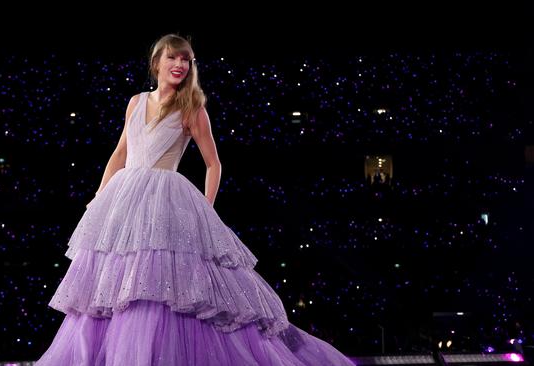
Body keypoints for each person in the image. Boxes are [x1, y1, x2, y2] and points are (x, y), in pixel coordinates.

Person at [35, 34, 357, 366]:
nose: (179, 65)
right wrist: (99, 198)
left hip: (165, 197)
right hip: (124, 200)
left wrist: (206, 208)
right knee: (114, 278)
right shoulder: (135, 102)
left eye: (185, 60)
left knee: (161, 278)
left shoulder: (191, 107)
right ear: (156, 62)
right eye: (173, 58)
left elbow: (214, 163)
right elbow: (120, 153)